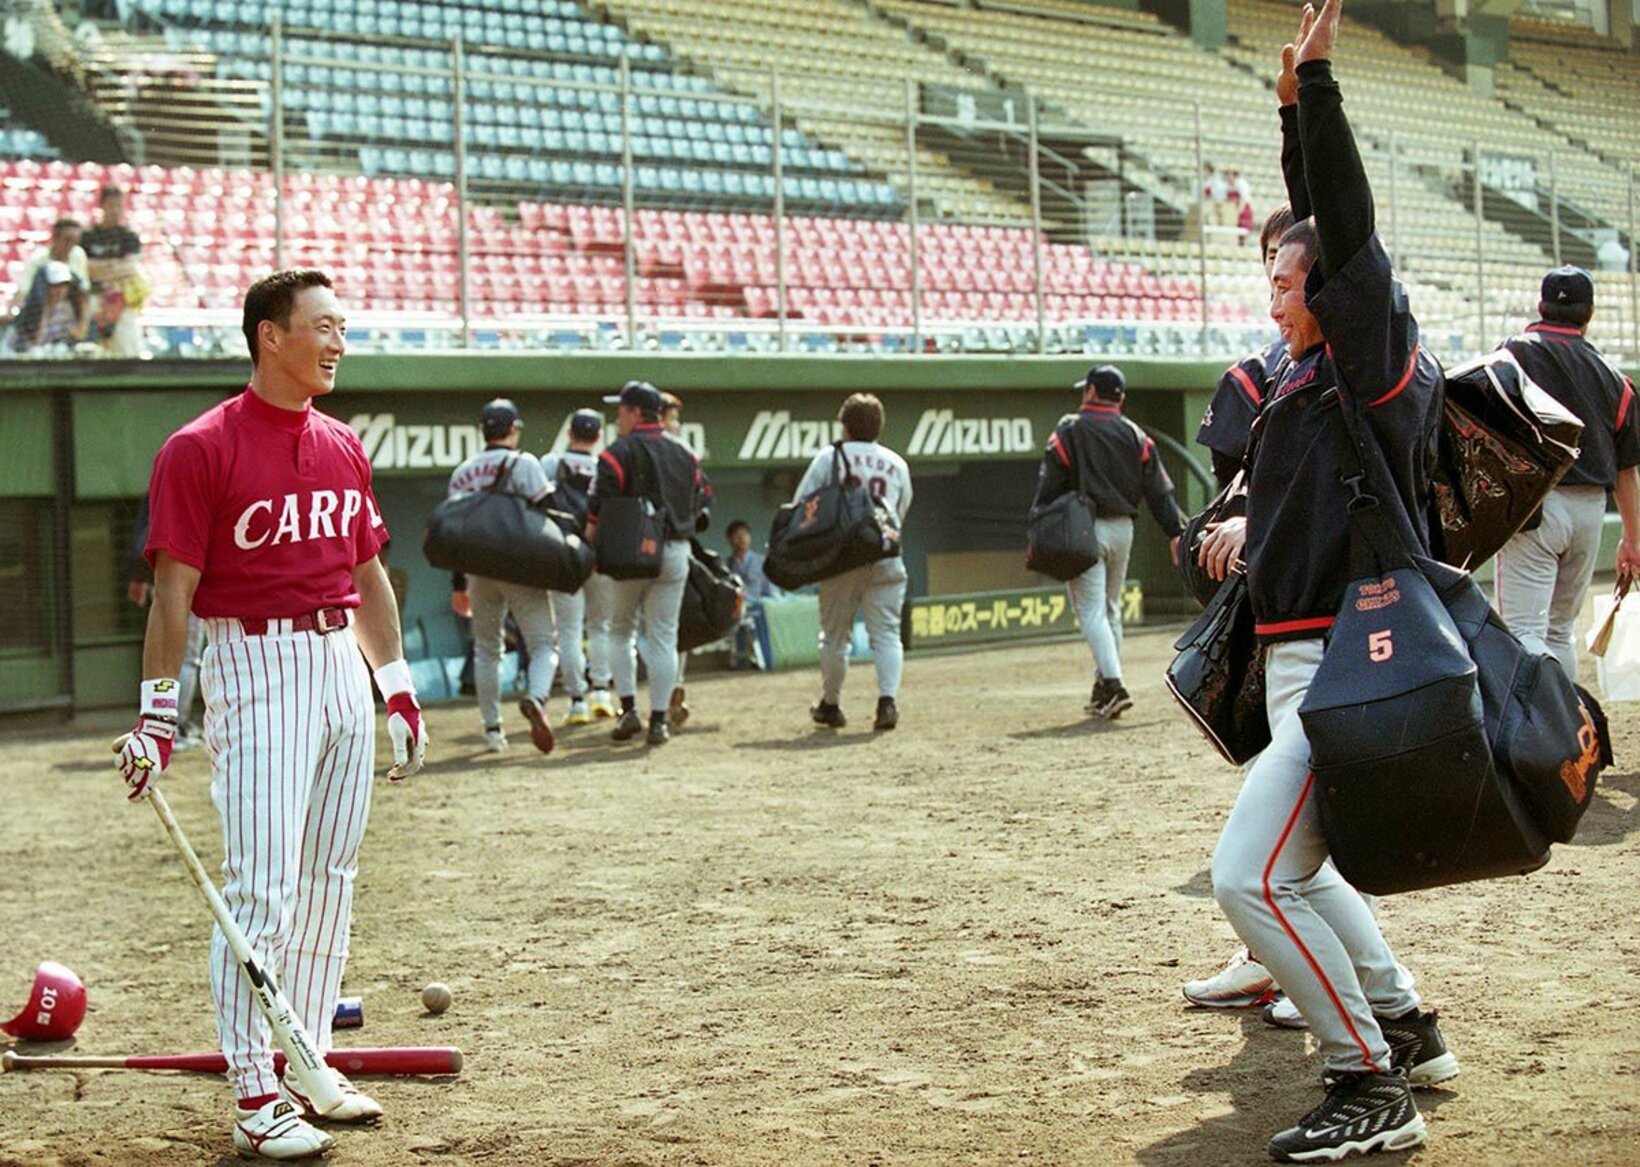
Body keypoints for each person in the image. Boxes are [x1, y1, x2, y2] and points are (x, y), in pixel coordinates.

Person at [1194, 5, 1455, 1158]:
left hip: (1349, 661)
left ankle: (1367, 1080)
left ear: (1338, 297)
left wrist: (1320, 94)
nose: (1275, 294)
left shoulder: (1366, 368)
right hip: (1309, 657)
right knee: (1295, 873)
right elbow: (1314, 231)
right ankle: (1407, 1025)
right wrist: (1286, 111)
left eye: (1291, 282)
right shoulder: (1302, 386)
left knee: (1248, 876)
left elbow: (1341, 233)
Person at [112, 268, 427, 1160]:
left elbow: (367, 575)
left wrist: (394, 683)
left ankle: (308, 1058)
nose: (337, 343)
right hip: (252, 658)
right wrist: (158, 716)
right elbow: (173, 593)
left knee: (331, 879)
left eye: (343, 328)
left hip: (338, 664)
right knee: (261, 887)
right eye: (322, 327)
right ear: (269, 337)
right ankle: (255, 1094)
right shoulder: (199, 446)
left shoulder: (341, 443)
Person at [1493, 266, 1640, 678]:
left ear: (1540, 305)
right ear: (1589, 313)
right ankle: (1569, 728)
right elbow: (1628, 471)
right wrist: (1632, 539)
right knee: (1559, 632)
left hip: (1536, 505)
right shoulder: (1616, 379)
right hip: (1591, 512)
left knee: (1523, 631)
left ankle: (1537, 732)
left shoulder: (1513, 353)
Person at [1035, 365, 1184, 719]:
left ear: (1089, 391)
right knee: (1110, 609)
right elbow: (1159, 493)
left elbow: (1048, 487)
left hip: (1085, 528)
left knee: (1090, 611)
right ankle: (1104, 688)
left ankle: (1115, 685)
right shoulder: (1135, 434)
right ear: (1121, 398)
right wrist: (1176, 532)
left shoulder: (1069, 428)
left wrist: (1040, 523)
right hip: (1123, 530)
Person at [589, 380, 711, 746]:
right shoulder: (685, 452)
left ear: (634, 412)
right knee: (663, 636)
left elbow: (597, 511)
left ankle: (629, 712)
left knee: (620, 629)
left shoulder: (616, 452)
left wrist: (592, 551)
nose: (617, 417)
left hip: (629, 551)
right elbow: (703, 501)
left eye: (620, 410)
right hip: (674, 549)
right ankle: (658, 722)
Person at [447, 398, 558, 755]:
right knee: (543, 644)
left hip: (478, 567)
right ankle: (537, 699)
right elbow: (547, 514)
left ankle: (493, 731)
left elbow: (454, 533)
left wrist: (458, 583)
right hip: (520, 564)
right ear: (512, 429)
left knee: (486, 650)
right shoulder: (524, 463)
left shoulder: (463, 471)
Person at [801, 393, 912, 732]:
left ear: (846, 428)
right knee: (887, 635)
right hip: (885, 554)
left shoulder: (828, 458)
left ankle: (831, 704)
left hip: (840, 558)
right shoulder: (896, 463)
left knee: (834, 637)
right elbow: (900, 511)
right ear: (878, 427)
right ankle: (887, 702)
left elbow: (803, 505)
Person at [1197, 205, 1295, 491]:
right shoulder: (1254, 374)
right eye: (1274, 255)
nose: (1280, 266)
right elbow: (1230, 482)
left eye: (1291, 252)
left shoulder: (1366, 359)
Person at [540, 407, 605, 726]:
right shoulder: (603, 466)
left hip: (564, 555)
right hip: (599, 556)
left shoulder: (551, 463)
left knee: (567, 632)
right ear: (598, 437)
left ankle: (578, 700)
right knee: (602, 627)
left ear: (570, 434)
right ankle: (603, 692)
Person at [81, 185, 147, 357]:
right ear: (102, 206)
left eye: (119, 205)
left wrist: (101, 267)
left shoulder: (129, 237)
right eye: (112, 205)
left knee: (127, 352)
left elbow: (129, 268)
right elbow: (86, 269)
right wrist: (114, 266)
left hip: (120, 301)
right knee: (93, 351)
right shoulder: (87, 236)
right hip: (92, 298)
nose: (116, 211)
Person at [726, 518, 778, 669]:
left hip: (757, 605)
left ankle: (766, 660)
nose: (741, 539)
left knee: (760, 612)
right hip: (735, 607)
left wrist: (774, 601)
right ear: (730, 540)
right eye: (737, 535)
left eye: (744, 534)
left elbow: (771, 589)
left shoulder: (761, 561)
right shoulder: (726, 565)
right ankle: (739, 660)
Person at [8, 260, 89, 352]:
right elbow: (34, 340)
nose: (60, 290)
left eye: (64, 285)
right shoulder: (31, 309)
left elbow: (78, 335)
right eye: (55, 286)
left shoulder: (69, 309)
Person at [9, 218, 87, 312]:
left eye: (75, 241)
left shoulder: (78, 254)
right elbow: (23, 290)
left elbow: (84, 289)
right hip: (41, 309)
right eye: (67, 240)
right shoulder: (38, 260)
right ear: (55, 238)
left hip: (69, 312)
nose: (71, 246)